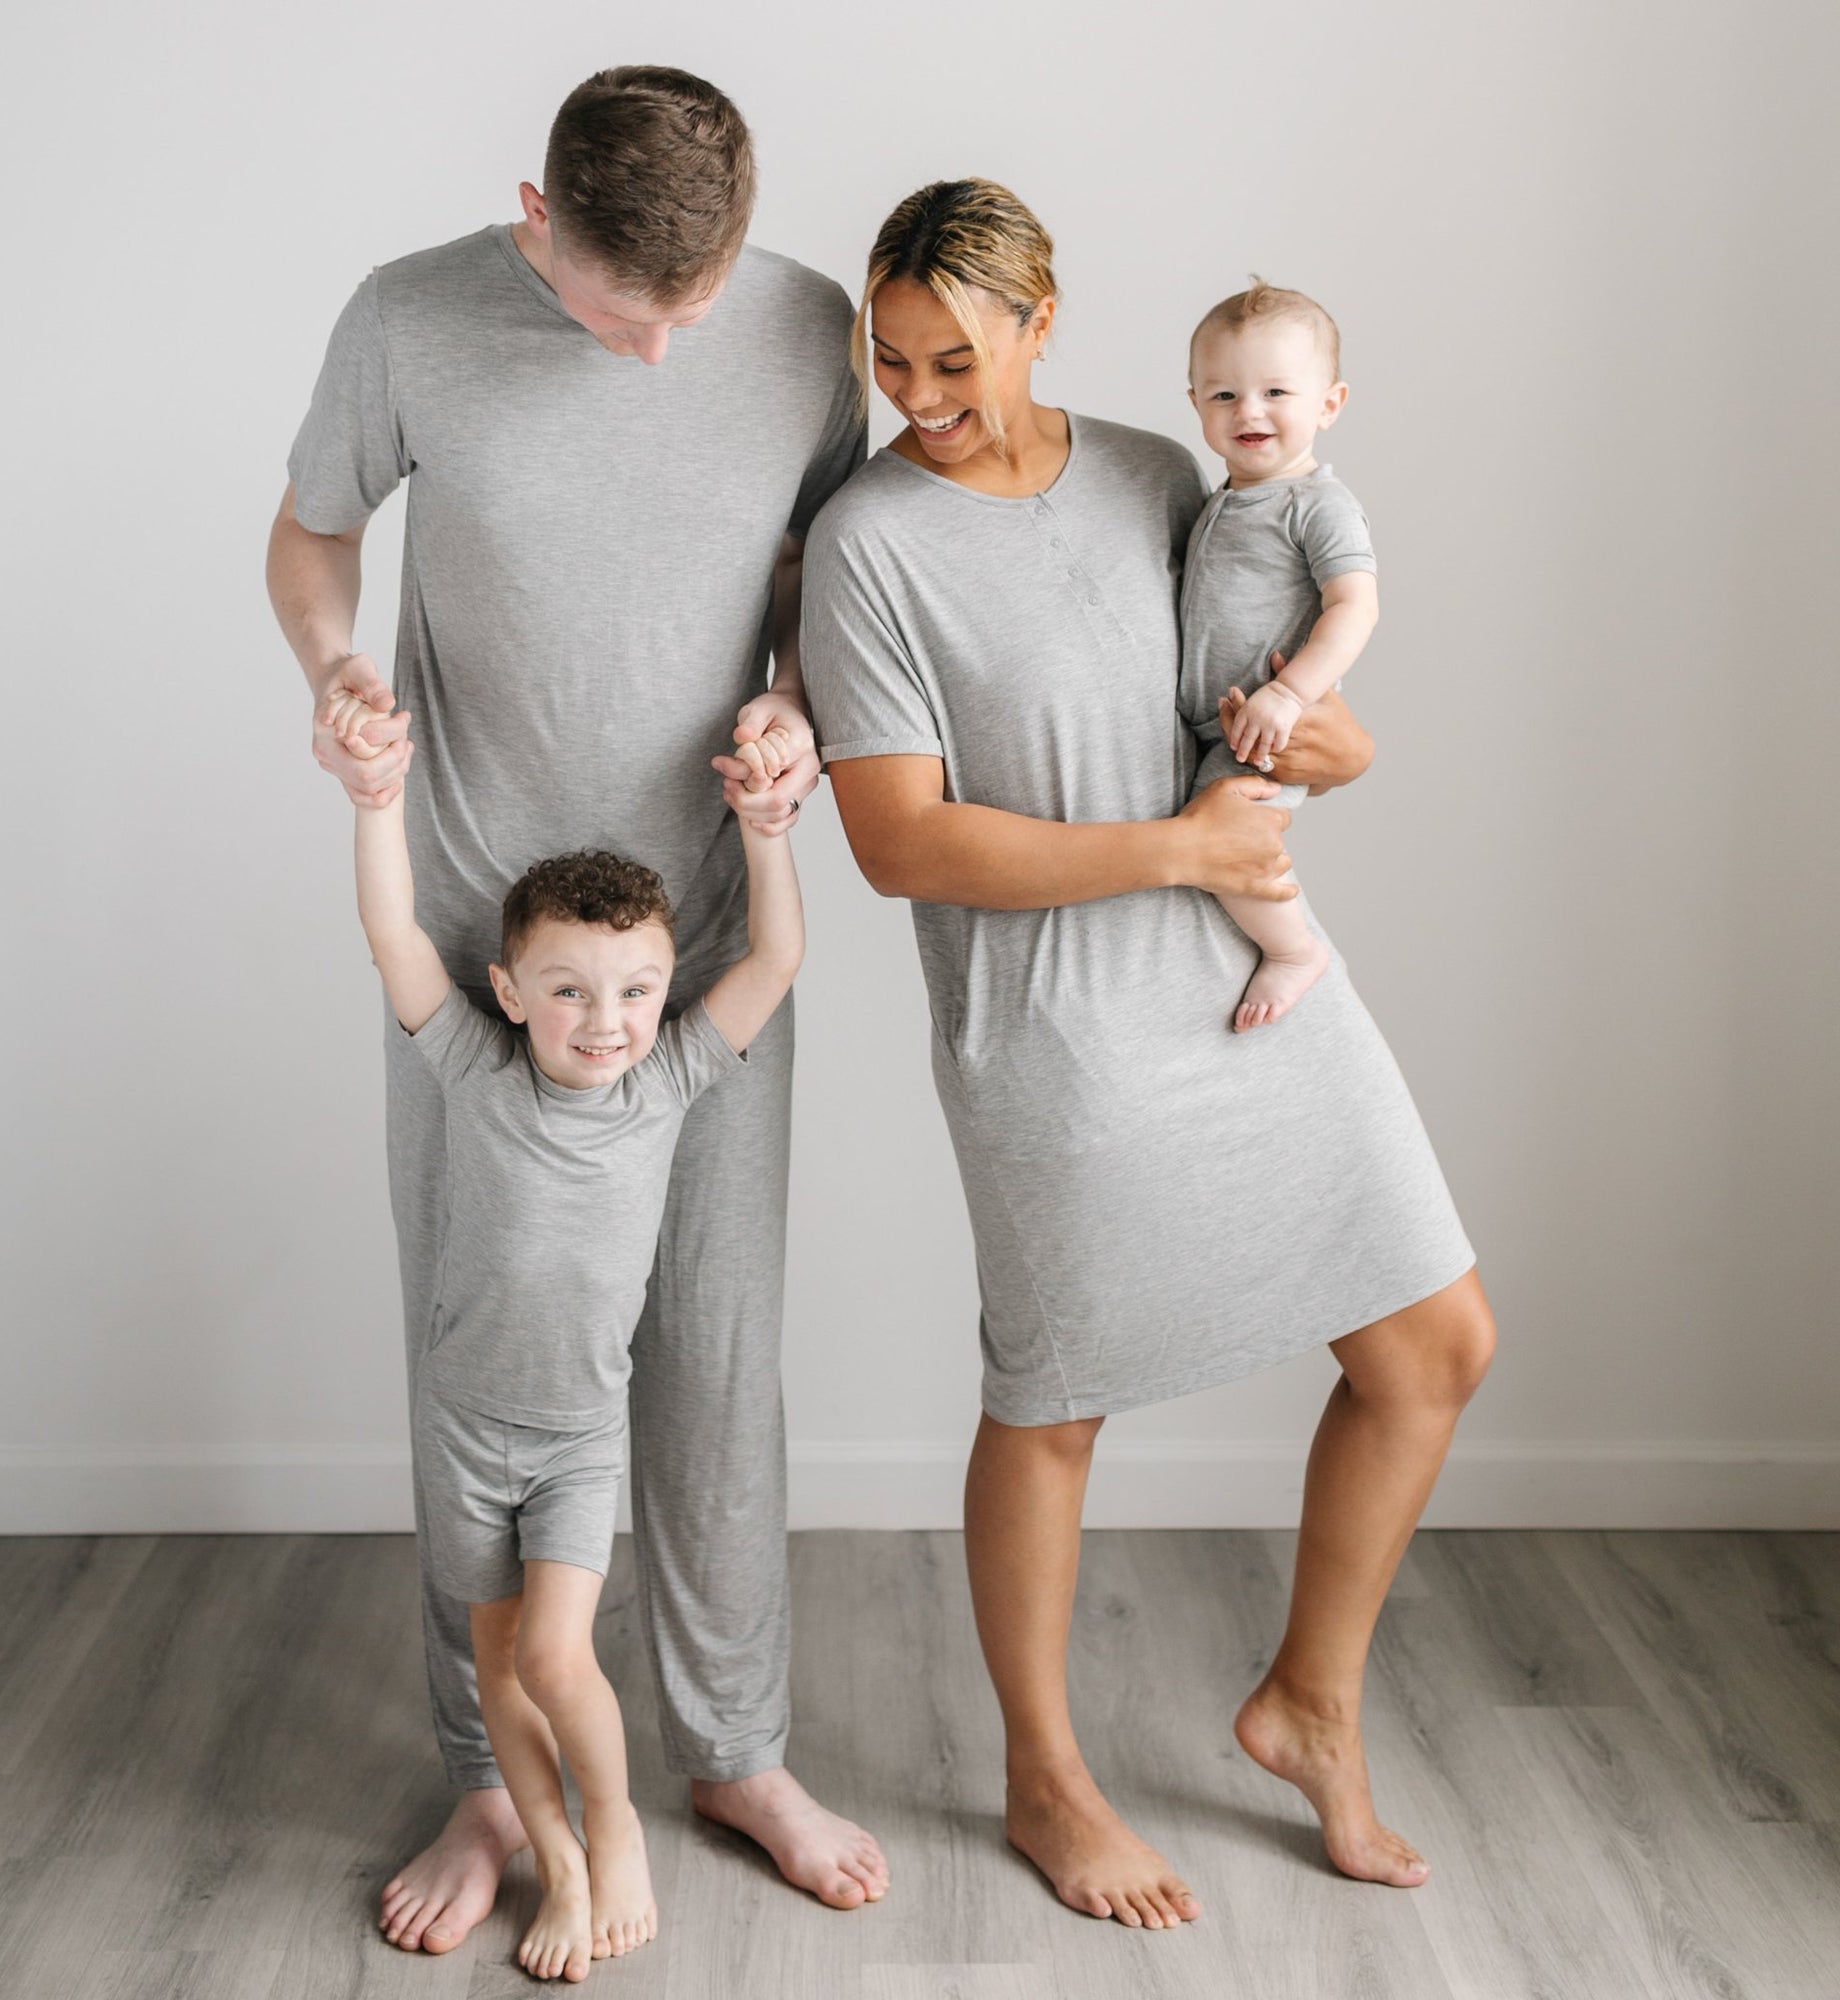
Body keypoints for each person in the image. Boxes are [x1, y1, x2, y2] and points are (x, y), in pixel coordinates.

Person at [799, 178, 1494, 1931]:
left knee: (1434, 1344)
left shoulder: (1158, 472)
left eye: (955, 356)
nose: (919, 394)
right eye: (891, 359)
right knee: (1054, 1399)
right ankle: (1046, 1781)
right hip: (1057, 1039)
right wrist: (1177, 851)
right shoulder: (868, 543)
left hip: (1244, 976)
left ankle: (1308, 1705)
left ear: (1044, 320)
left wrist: (1318, 747)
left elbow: (1251, 708)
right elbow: (900, 843)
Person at [266, 66, 887, 1953]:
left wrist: (796, 696)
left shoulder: (797, 325)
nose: (669, 343)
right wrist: (333, 669)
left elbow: (819, 570)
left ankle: (736, 1746)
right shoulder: (408, 316)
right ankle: (483, 1771)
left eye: (696, 306)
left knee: (714, 1353)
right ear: (538, 213)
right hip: (471, 948)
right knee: (486, 1366)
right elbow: (310, 542)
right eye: (635, 306)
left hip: (700, 939)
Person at [341, 684, 804, 1981]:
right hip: (464, 1427)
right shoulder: (476, 1071)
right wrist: (379, 803)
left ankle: (618, 1831)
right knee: (500, 1672)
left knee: (556, 1651)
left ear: (663, 994)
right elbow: (390, 931)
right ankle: (557, 1859)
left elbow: (770, 965)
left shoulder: (666, 1084)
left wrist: (766, 831)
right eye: (570, 991)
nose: (606, 1020)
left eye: (635, 990)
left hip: (575, 1437)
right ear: (509, 988)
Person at [1180, 280, 1379, 1031]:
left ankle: (1295, 950)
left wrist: (1290, 696)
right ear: (1196, 404)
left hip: (1264, 733)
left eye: (1275, 392)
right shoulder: (1218, 499)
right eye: (1224, 395)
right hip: (1213, 723)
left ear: (1328, 404)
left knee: (1225, 846)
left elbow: (1355, 607)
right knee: (1210, 842)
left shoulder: (1317, 505)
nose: (1249, 412)